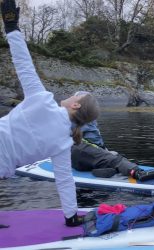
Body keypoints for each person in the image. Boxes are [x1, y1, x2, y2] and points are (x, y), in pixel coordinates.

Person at [0, 0, 100, 226]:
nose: (72, 95)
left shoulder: (42, 100)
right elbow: (65, 181)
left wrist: (11, 28)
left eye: (76, 96)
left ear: (75, 106)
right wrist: (71, 216)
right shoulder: (64, 143)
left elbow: (23, 63)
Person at [72, 119, 154, 181]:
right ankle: (138, 173)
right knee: (115, 158)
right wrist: (105, 152)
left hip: (73, 158)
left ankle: (101, 168)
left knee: (103, 158)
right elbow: (94, 141)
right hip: (79, 149)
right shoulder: (85, 117)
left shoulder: (66, 117)